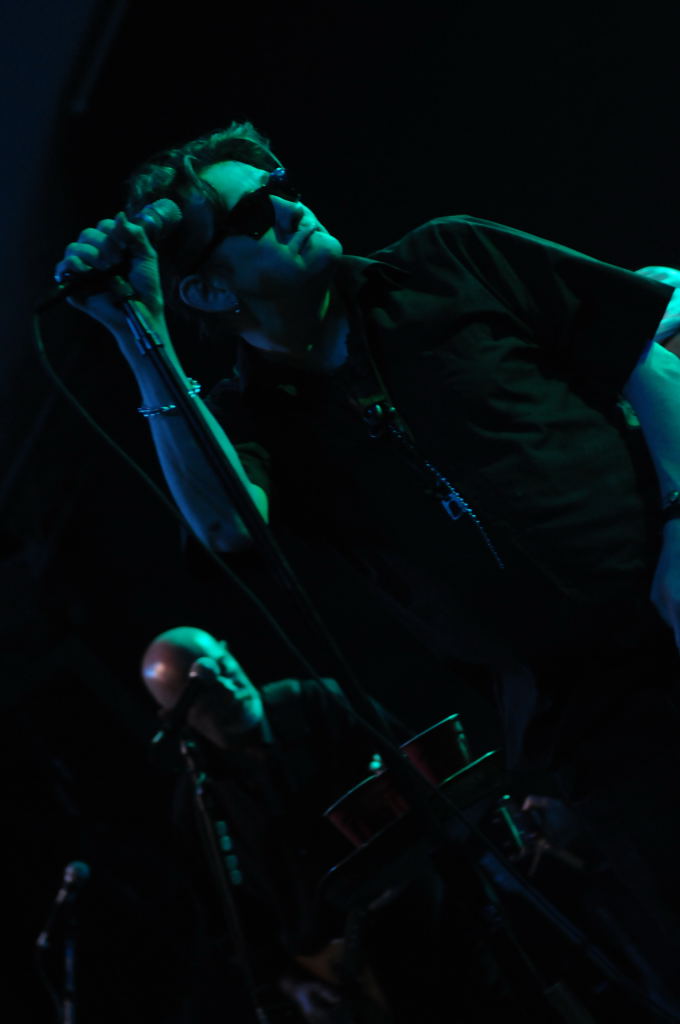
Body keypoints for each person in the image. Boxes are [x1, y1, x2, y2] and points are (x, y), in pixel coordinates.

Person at [56, 121, 680, 949]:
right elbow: (226, 524)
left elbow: (648, 343)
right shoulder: (249, 422)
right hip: (591, 726)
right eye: (254, 215)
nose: (289, 207)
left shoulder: (449, 257)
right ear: (206, 292)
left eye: (280, 185)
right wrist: (140, 331)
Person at [141, 625, 456, 1024]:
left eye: (223, 666)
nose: (227, 686)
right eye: (202, 688)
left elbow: (434, 783)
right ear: (173, 716)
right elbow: (226, 923)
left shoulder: (317, 703)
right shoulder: (197, 804)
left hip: (424, 927)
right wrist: (293, 985)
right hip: (341, 977)